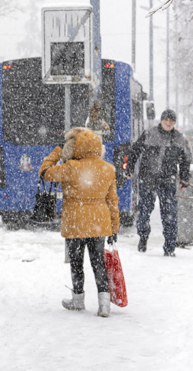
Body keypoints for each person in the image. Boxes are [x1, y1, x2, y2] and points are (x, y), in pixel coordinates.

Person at [40, 127, 119, 318]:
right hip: (99, 222)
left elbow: (44, 172)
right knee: (98, 262)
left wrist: (58, 151)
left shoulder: (71, 167)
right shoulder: (108, 169)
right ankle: (104, 304)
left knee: (77, 262)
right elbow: (113, 201)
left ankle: (77, 299)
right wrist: (114, 227)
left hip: (75, 221)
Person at [129, 109, 192, 256]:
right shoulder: (149, 134)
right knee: (144, 211)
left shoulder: (179, 139)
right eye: (166, 120)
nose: (168, 123)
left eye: (171, 120)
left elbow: (185, 161)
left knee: (169, 214)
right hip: (147, 179)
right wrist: (129, 169)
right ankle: (143, 238)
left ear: (174, 123)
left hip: (167, 181)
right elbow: (135, 151)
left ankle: (170, 247)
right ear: (161, 120)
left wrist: (184, 179)